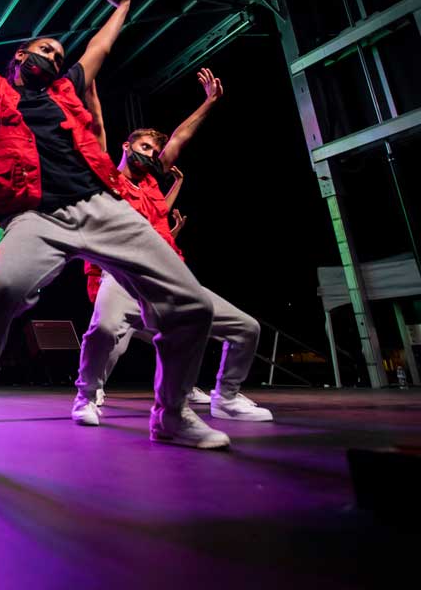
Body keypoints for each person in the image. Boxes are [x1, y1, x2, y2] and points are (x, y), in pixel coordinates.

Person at [0, 0, 228, 469]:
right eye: (44, 47)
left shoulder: (67, 92)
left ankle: (172, 412)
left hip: (102, 206)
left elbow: (101, 46)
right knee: (2, 289)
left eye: (58, 53)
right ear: (20, 55)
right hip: (37, 216)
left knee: (193, 304)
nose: (53, 55)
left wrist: (124, 5)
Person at [73, 70, 273, 425]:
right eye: (144, 147)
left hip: (166, 278)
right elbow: (95, 120)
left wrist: (209, 102)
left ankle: (225, 397)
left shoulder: (152, 184)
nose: (151, 153)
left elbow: (181, 136)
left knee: (247, 328)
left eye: (154, 149)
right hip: (121, 276)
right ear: (126, 146)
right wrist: (90, 77)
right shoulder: (108, 178)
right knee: (106, 331)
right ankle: (87, 396)